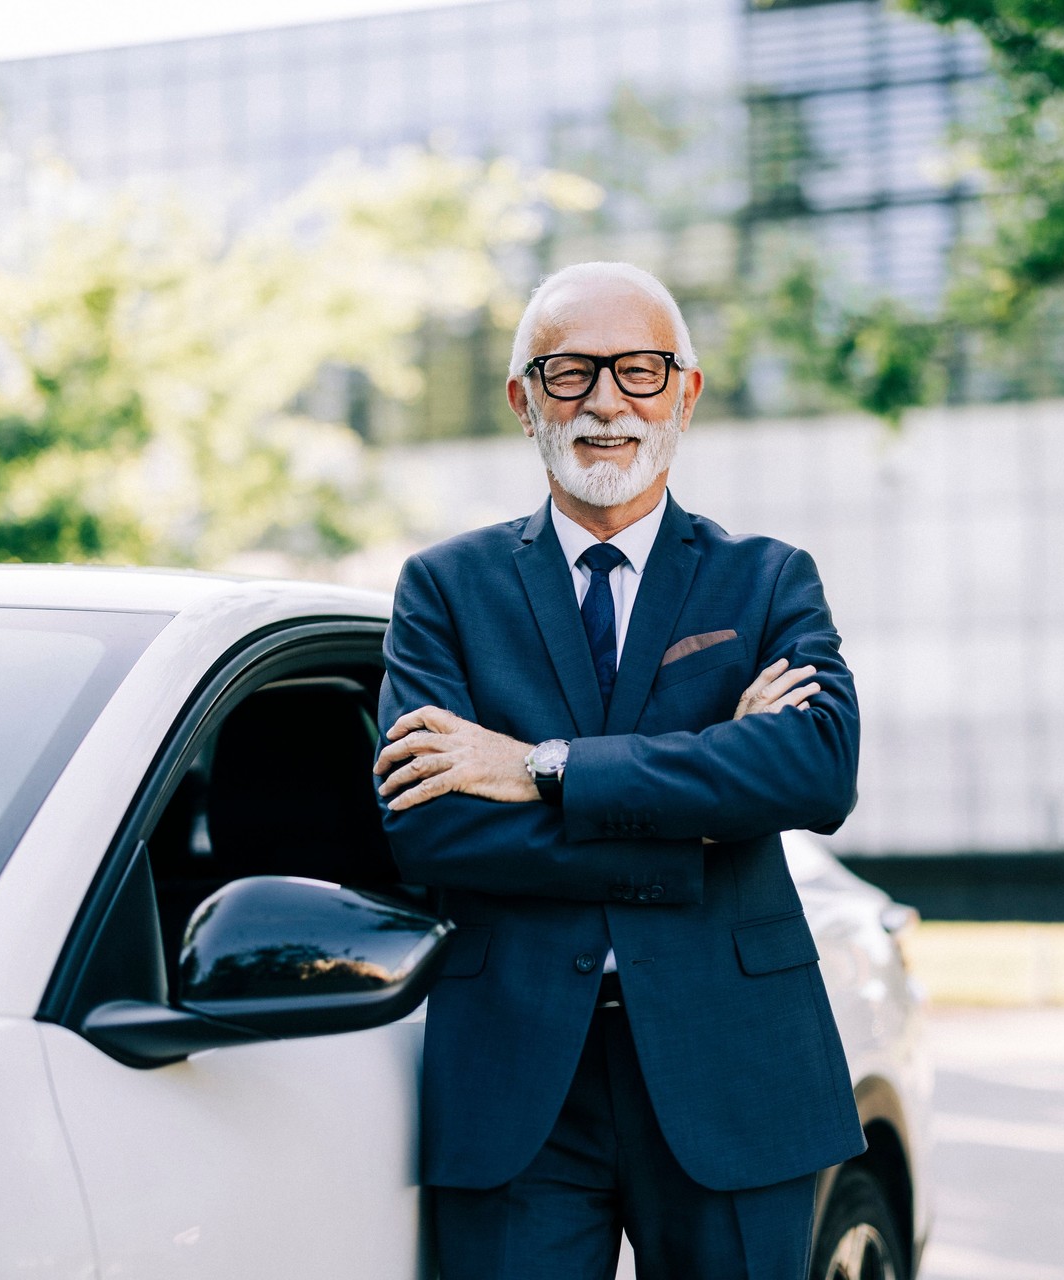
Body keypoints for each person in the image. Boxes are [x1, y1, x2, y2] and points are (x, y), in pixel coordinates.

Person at [373, 260, 864, 1279]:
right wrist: (704, 807)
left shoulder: (767, 577)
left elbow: (816, 771)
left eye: (640, 370)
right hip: (515, 1083)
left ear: (685, 391)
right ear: (522, 400)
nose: (607, 401)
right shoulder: (443, 589)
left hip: (735, 1064)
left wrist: (542, 767)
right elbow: (431, 824)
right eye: (571, 372)